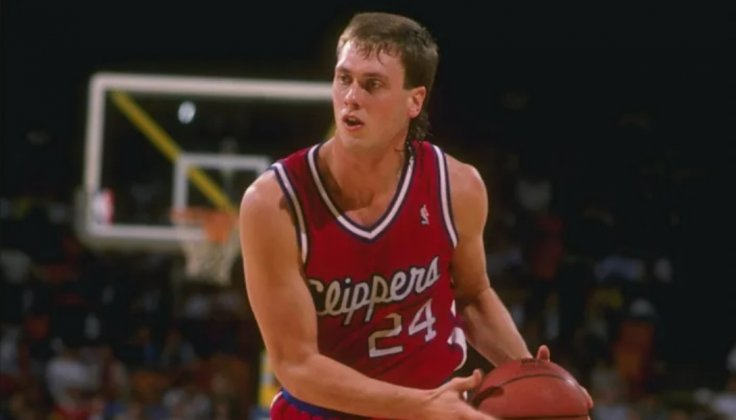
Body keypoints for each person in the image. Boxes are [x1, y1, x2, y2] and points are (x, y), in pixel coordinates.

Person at [240, 11, 565, 420]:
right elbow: (296, 365)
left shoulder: (457, 186)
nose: (351, 97)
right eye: (343, 79)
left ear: (415, 100)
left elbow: (473, 297)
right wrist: (422, 407)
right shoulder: (273, 203)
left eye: (372, 84)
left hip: (433, 401)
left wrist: (531, 375)